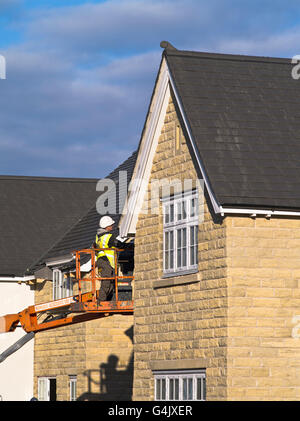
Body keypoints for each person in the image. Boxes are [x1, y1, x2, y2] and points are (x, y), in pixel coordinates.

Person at [94, 216, 128, 303]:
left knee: (110, 281)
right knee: (107, 281)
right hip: (106, 261)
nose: (112, 226)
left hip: (102, 261)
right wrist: (130, 246)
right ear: (107, 226)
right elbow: (119, 244)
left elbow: (94, 247)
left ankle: (106, 300)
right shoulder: (109, 236)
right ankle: (101, 301)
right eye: (111, 225)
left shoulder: (98, 237)